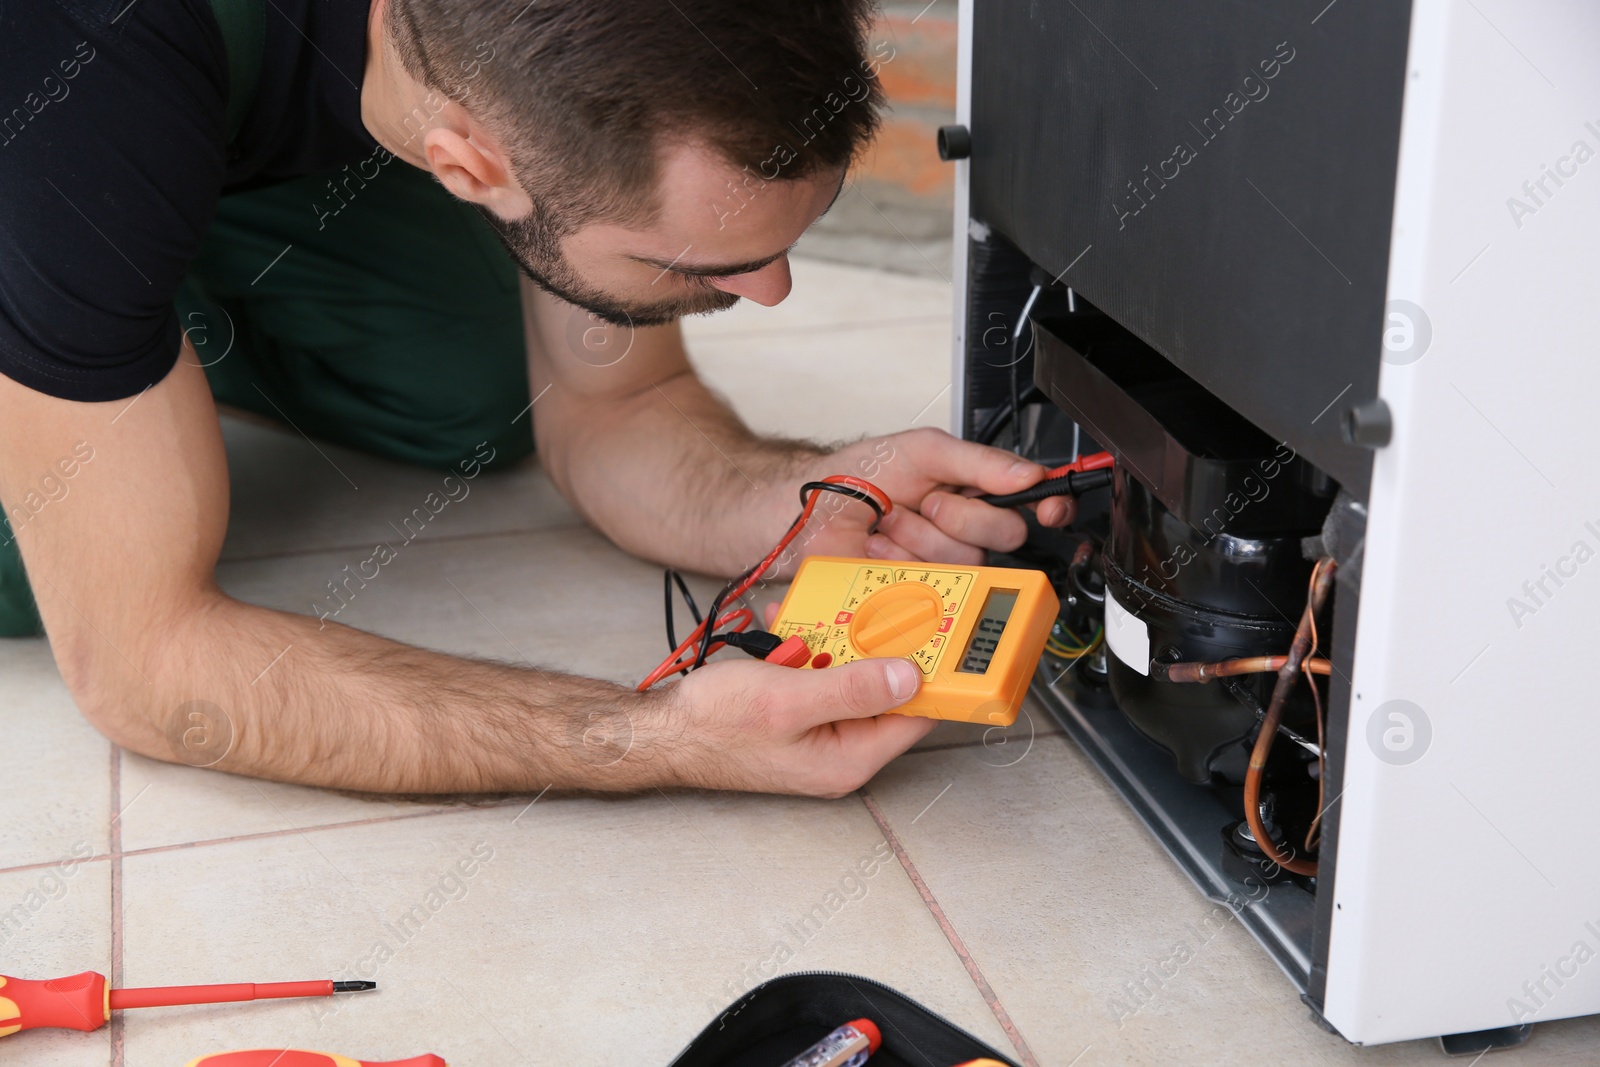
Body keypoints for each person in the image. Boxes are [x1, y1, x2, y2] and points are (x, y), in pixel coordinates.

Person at [0, 0, 1071, 797]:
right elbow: (144, 662)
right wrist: (657, 738)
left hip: (160, 126)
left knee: (472, 390)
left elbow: (615, 409)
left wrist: (799, 497)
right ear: (466, 165)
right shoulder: (74, 84)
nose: (771, 290)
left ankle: (110, 309)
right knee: (30, 570)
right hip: (60, 111)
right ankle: (91, 323)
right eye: (704, 260)